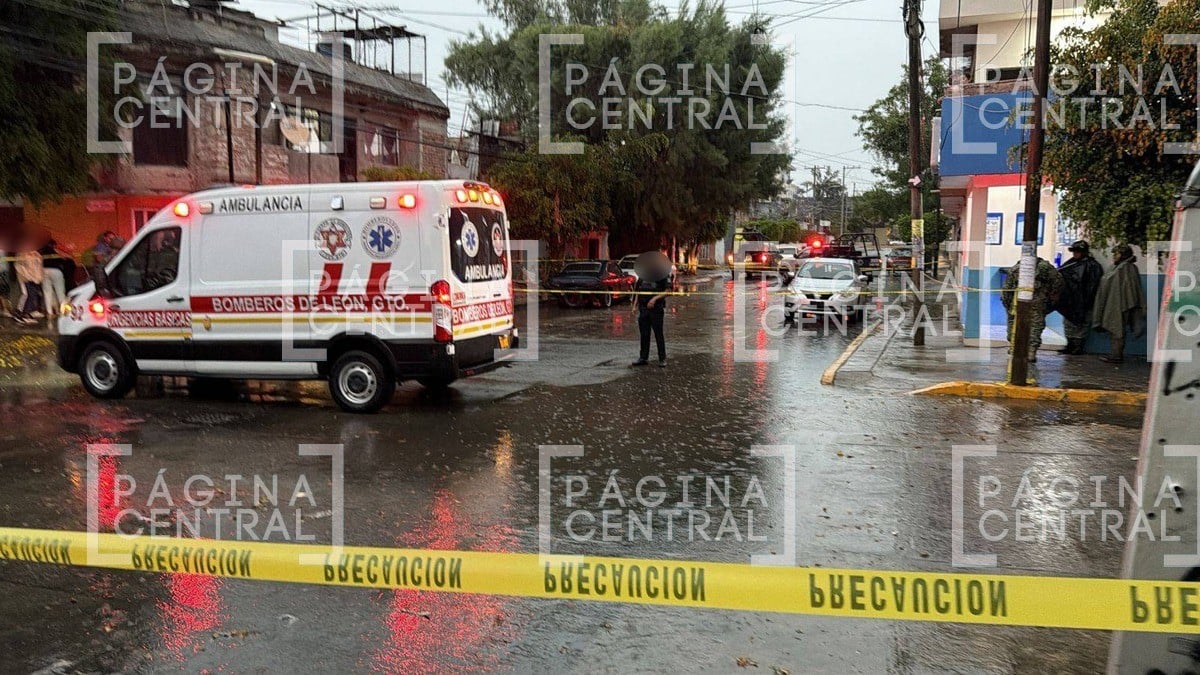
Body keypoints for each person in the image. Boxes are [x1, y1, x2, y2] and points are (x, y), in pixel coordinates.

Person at [1001, 256, 1064, 363]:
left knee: (1015, 323)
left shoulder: (1017, 268)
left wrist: (1008, 305)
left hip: (1018, 301)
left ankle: (1015, 348)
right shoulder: (1047, 268)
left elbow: (1007, 289)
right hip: (1039, 301)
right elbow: (1059, 283)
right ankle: (1031, 351)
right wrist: (1050, 297)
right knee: (1035, 325)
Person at [1092, 244, 1145, 364]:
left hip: (1121, 303)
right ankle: (1115, 354)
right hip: (1117, 302)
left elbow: (1127, 289)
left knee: (1117, 328)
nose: (1114, 256)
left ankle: (1116, 355)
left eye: (1117, 254)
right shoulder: (1119, 267)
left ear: (1123, 255)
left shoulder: (1126, 268)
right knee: (1116, 328)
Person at [1055, 240, 1104, 355]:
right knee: (1068, 323)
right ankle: (1070, 345)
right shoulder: (1070, 264)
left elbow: (1093, 286)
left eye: (1078, 251)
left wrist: (1086, 301)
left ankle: (1078, 346)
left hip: (1084, 302)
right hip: (1071, 301)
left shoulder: (1092, 266)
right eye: (1074, 251)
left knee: (1082, 324)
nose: (1075, 254)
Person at [631, 273, 670, 368]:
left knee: (658, 334)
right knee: (644, 334)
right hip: (643, 308)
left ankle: (662, 358)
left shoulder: (662, 275)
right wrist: (634, 305)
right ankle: (643, 358)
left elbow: (668, 291)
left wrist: (654, 299)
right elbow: (638, 291)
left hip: (656, 309)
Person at [39, 239, 74, 318]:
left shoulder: (41, 252)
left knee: (47, 293)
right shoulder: (55, 250)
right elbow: (67, 257)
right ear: (53, 245)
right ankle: (63, 312)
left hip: (44, 271)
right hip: (56, 271)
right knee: (60, 292)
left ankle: (49, 313)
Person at [13, 245, 45, 326]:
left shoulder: (34, 254)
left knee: (30, 295)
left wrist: (37, 278)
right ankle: (23, 314)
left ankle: (24, 313)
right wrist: (28, 276)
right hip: (28, 278)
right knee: (28, 295)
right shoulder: (25, 253)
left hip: (33, 278)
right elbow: (20, 266)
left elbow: (37, 267)